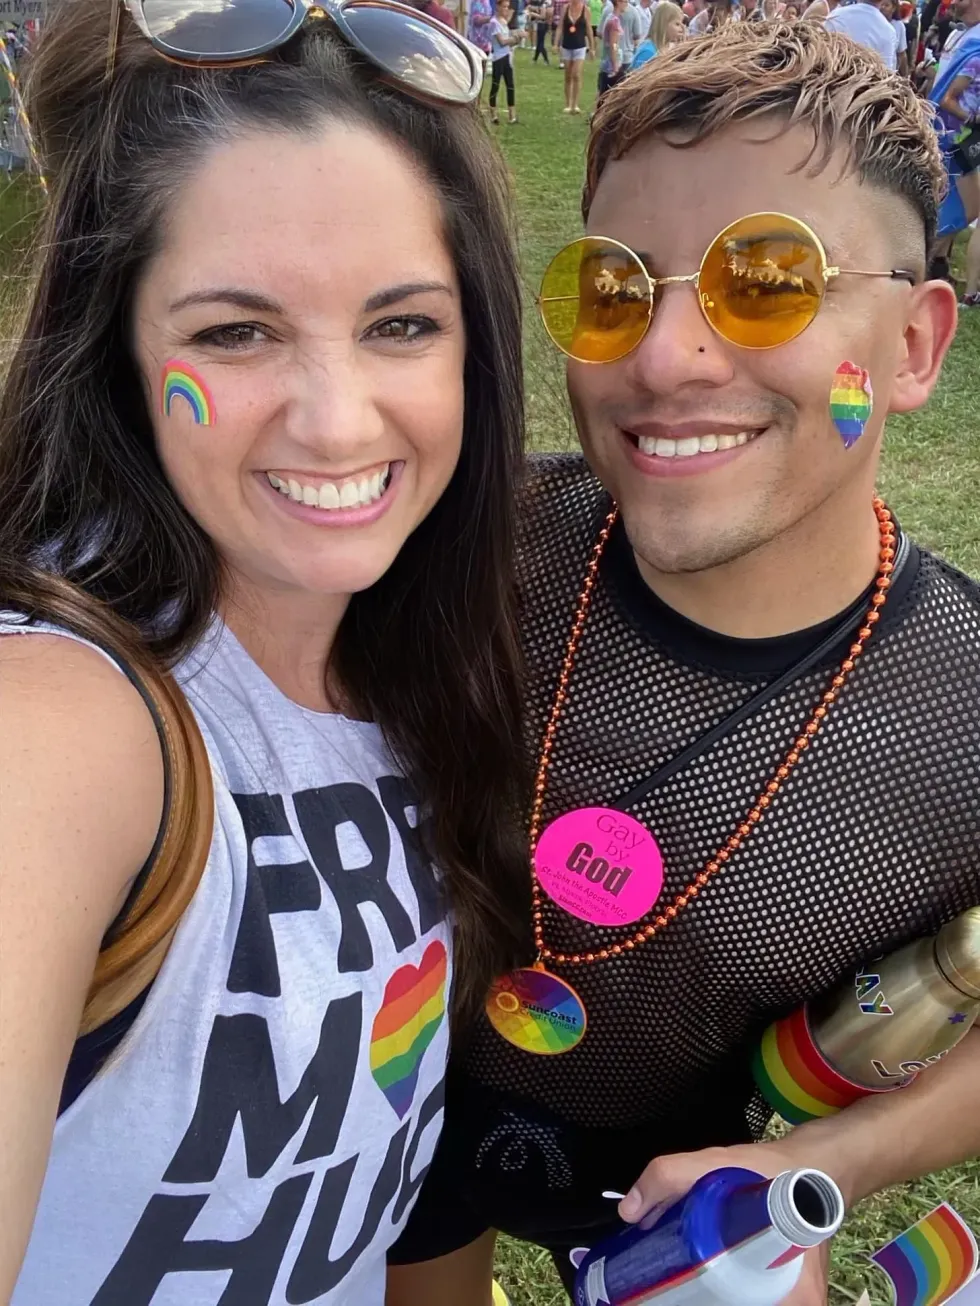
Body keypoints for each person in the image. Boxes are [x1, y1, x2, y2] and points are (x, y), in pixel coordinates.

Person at [386, 22, 980, 1306]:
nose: (661, 360)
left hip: (678, 1190)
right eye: (613, 287)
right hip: (397, 1117)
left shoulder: (962, 706)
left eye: (763, 278)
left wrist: (820, 1165)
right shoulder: (461, 550)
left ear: (916, 345)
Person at [0, 0, 533, 1300]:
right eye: (235, 331)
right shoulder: (63, 717)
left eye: (402, 324)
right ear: (121, 347)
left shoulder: (430, 662)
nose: (339, 421)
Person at [929, 0, 980, 297]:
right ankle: (922, 260)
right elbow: (948, 97)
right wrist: (972, 118)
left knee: (955, 206)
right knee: (964, 208)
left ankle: (934, 266)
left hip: (957, 137)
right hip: (954, 137)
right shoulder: (973, 48)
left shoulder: (969, 39)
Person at [824, 0, 901, 66]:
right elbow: (886, 72)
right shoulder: (888, 30)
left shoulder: (835, 15)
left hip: (829, 79)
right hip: (867, 81)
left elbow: (822, 53)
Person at [489, 0, 522, 123]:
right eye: (504, 7)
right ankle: (493, 114)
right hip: (498, 58)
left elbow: (507, 39)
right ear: (498, 7)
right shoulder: (494, 23)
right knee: (495, 85)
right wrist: (515, 38)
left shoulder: (503, 22)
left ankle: (512, 115)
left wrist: (516, 37)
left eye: (507, 7)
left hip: (506, 56)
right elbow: (502, 41)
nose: (506, 10)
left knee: (510, 85)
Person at [560, 0, 595, 111]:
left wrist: (592, 48)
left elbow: (589, 29)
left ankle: (575, 104)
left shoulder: (586, 10)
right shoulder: (565, 8)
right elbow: (560, 27)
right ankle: (568, 104)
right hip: (567, 45)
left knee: (576, 73)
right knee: (568, 75)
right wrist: (556, 44)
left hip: (580, 46)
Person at [598, 0, 628, 95]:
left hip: (607, 61)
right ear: (618, 2)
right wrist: (615, 66)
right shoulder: (614, 22)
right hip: (610, 65)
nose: (627, 4)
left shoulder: (610, 18)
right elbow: (613, 44)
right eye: (625, 2)